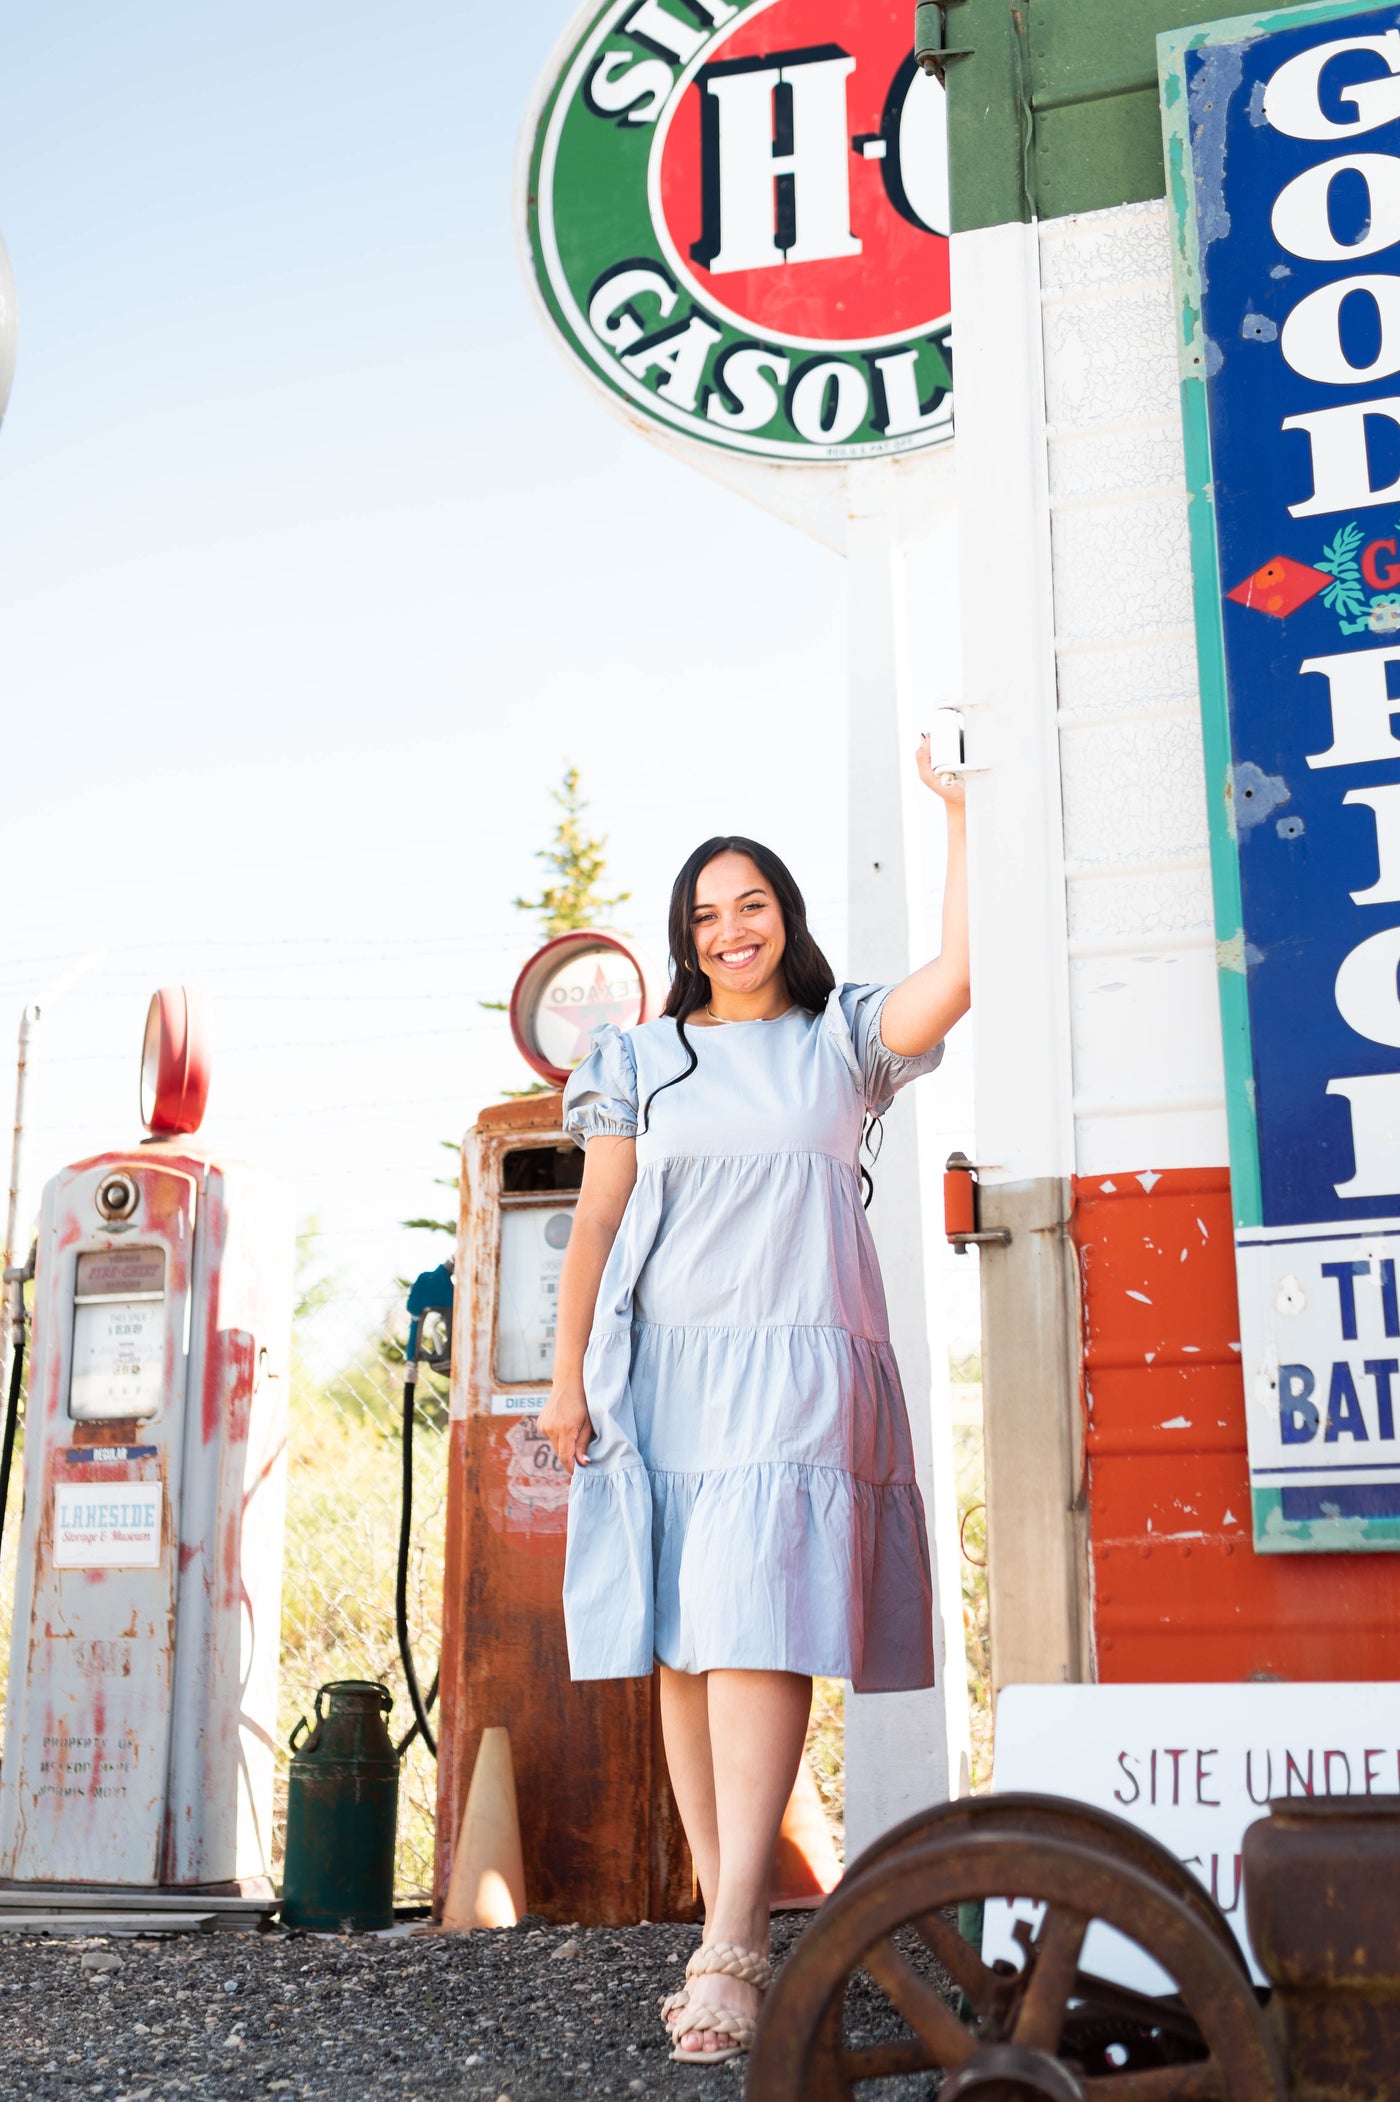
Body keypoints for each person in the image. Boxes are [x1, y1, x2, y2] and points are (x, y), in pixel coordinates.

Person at [539, 736, 969, 2065]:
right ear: (687, 935)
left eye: (753, 906)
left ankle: (730, 1938)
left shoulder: (840, 1041)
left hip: (797, 1365)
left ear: (786, 919)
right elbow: (599, 1216)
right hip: (665, 1367)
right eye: (706, 914)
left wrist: (961, 814)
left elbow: (959, 980)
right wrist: (567, 1374)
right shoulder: (639, 1055)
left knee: (756, 1620)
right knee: (681, 1641)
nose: (730, 930)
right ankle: (737, 1918)